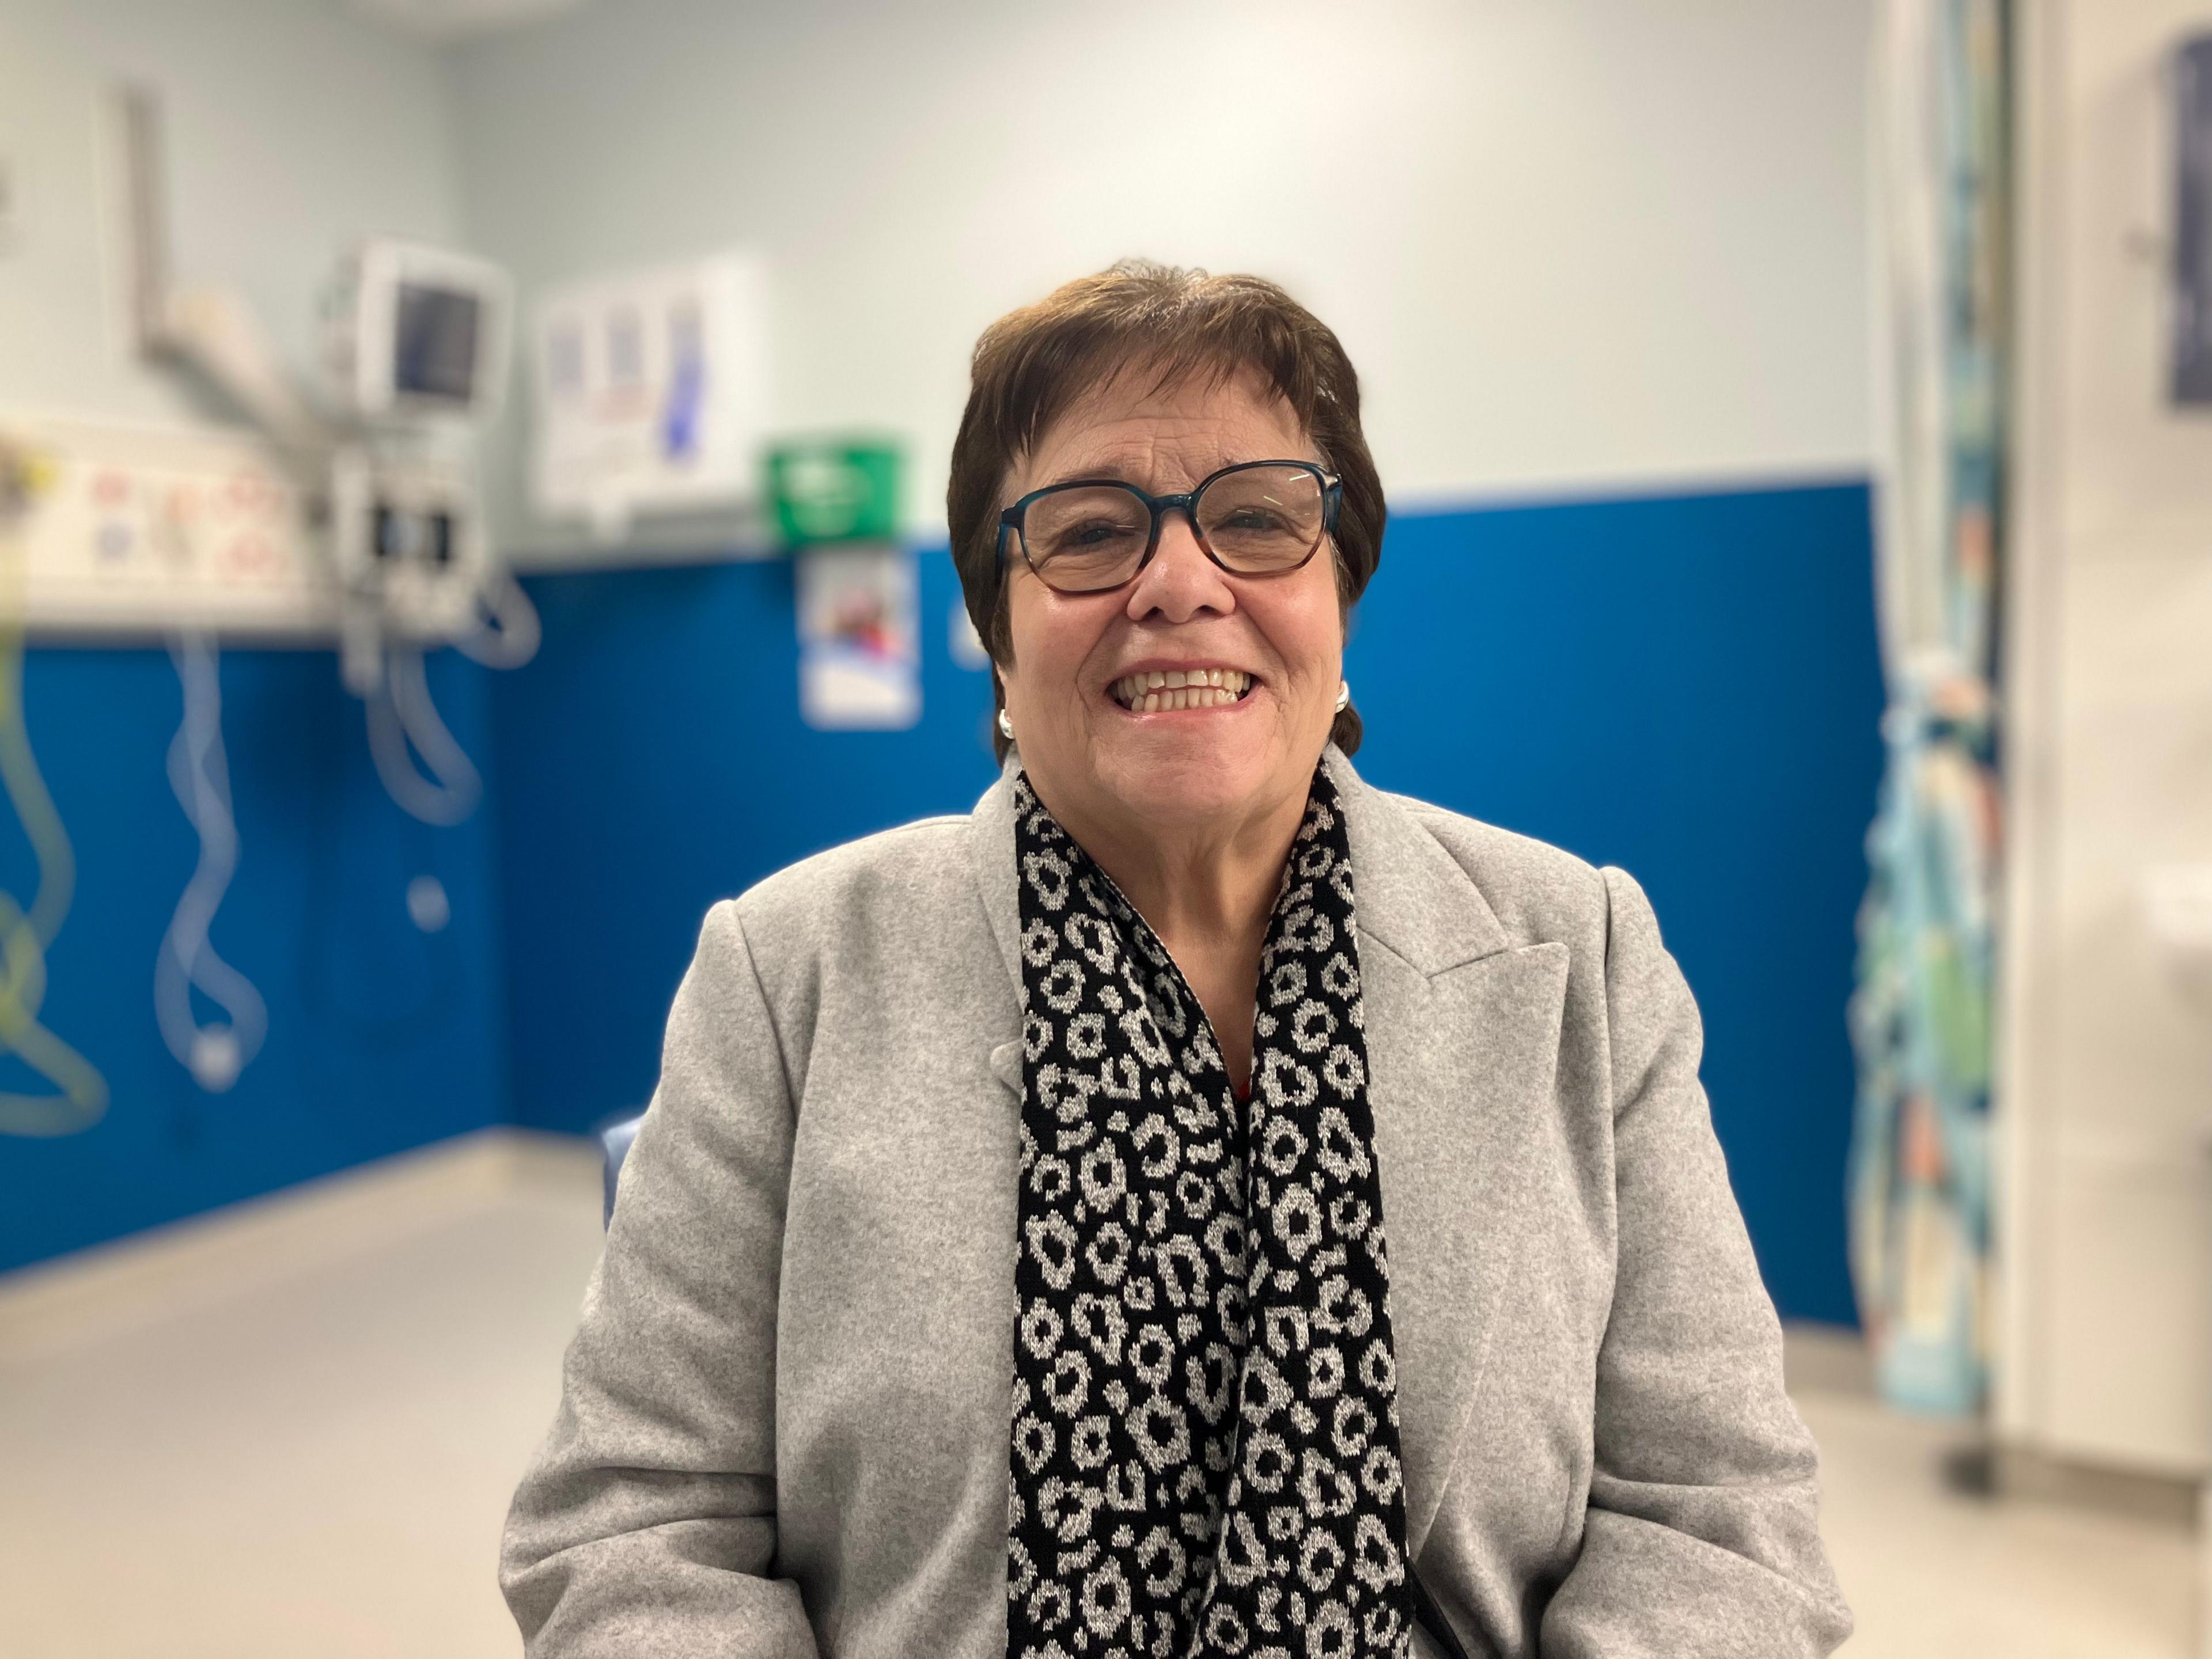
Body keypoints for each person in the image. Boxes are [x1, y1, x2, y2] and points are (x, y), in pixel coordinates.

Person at [501, 262, 1852, 1659]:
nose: (1180, 584)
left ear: (1342, 604)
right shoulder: (787, 975)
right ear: (998, 639)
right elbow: (633, 1530)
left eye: (1258, 519)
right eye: (1089, 534)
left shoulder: (1582, 949)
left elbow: (1717, 1514)